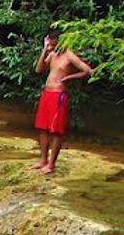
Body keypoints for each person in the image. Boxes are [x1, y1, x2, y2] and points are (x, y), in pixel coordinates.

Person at [31, 30, 94, 174]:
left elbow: (88, 71)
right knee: (43, 128)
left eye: (53, 44)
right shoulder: (52, 54)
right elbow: (39, 69)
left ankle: (51, 164)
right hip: (47, 93)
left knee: (56, 130)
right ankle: (43, 160)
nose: (51, 47)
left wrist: (69, 78)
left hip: (58, 95)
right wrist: (44, 50)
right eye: (50, 44)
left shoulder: (69, 55)